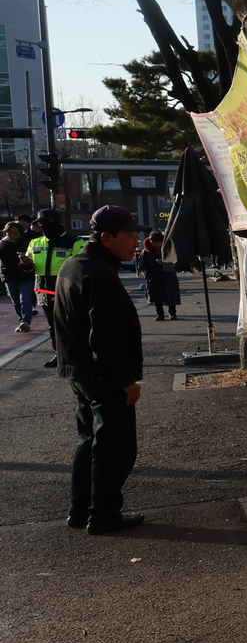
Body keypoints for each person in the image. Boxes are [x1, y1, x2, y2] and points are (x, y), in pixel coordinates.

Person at [54, 205, 150, 535]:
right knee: (115, 449)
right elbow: (105, 338)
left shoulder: (74, 264)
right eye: (131, 236)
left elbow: (64, 326)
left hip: (78, 372)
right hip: (102, 376)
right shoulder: (99, 273)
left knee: (90, 443)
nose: (136, 243)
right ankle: (105, 515)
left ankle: (80, 511)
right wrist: (126, 382)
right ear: (107, 238)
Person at [27, 208, 80, 367]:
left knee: (70, 324)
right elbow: (28, 266)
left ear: (57, 223)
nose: (42, 227)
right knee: (53, 325)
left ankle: (76, 354)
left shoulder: (74, 242)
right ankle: (60, 355)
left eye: (45, 223)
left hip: (66, 289)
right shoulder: (34, 242)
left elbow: (81, 267)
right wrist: (25, 264)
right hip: (44, 290)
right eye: (39, 224)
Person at [135, 231, 179, 320]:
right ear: (152, 242)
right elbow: (142, 265)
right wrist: (147, 274)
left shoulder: (168, 249)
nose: (158, 245)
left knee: (170, 295)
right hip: (154, 276)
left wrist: (165, 263)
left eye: (159, 243)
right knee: (157, 296)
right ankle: (160, 314)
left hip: (168, 274)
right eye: (156, 243)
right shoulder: (146, 252)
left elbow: (175, 260)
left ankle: (172, 313)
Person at [1, 220, 36, 331]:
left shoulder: (26, 243)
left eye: (15, 233)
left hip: (26, 276)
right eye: (9, 233)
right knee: (16, 301)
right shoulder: (3, 245)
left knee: (24, 299)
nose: (12, 235)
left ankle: (26, 321)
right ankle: (21, 321)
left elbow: (33, 258)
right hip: (9, 276)